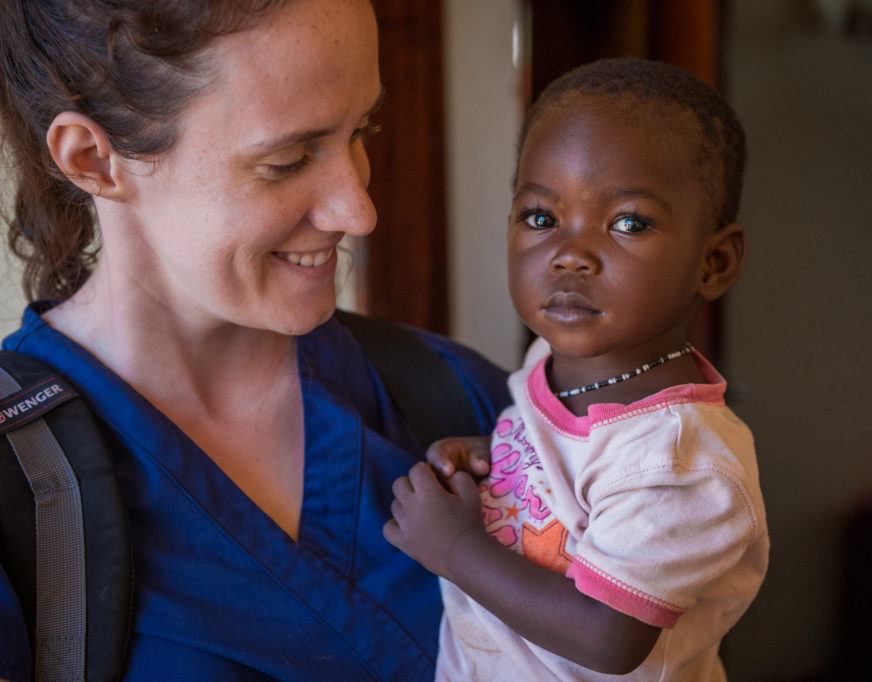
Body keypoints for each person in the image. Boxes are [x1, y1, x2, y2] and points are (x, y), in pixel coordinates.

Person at [0, 0, 508, 679]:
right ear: (93, 159)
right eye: (289, 160)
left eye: (364, 129)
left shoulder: (458, 397)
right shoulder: (17, 493)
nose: (358, 210)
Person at [384, 58, 769, 681]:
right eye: (542, 218)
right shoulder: (558, 364)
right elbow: (572, 466)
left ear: (714, 262)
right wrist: (498, 461)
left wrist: (454, 547)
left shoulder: (680, 461)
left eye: (628, 223)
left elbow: (606, 636)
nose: (570, 255)